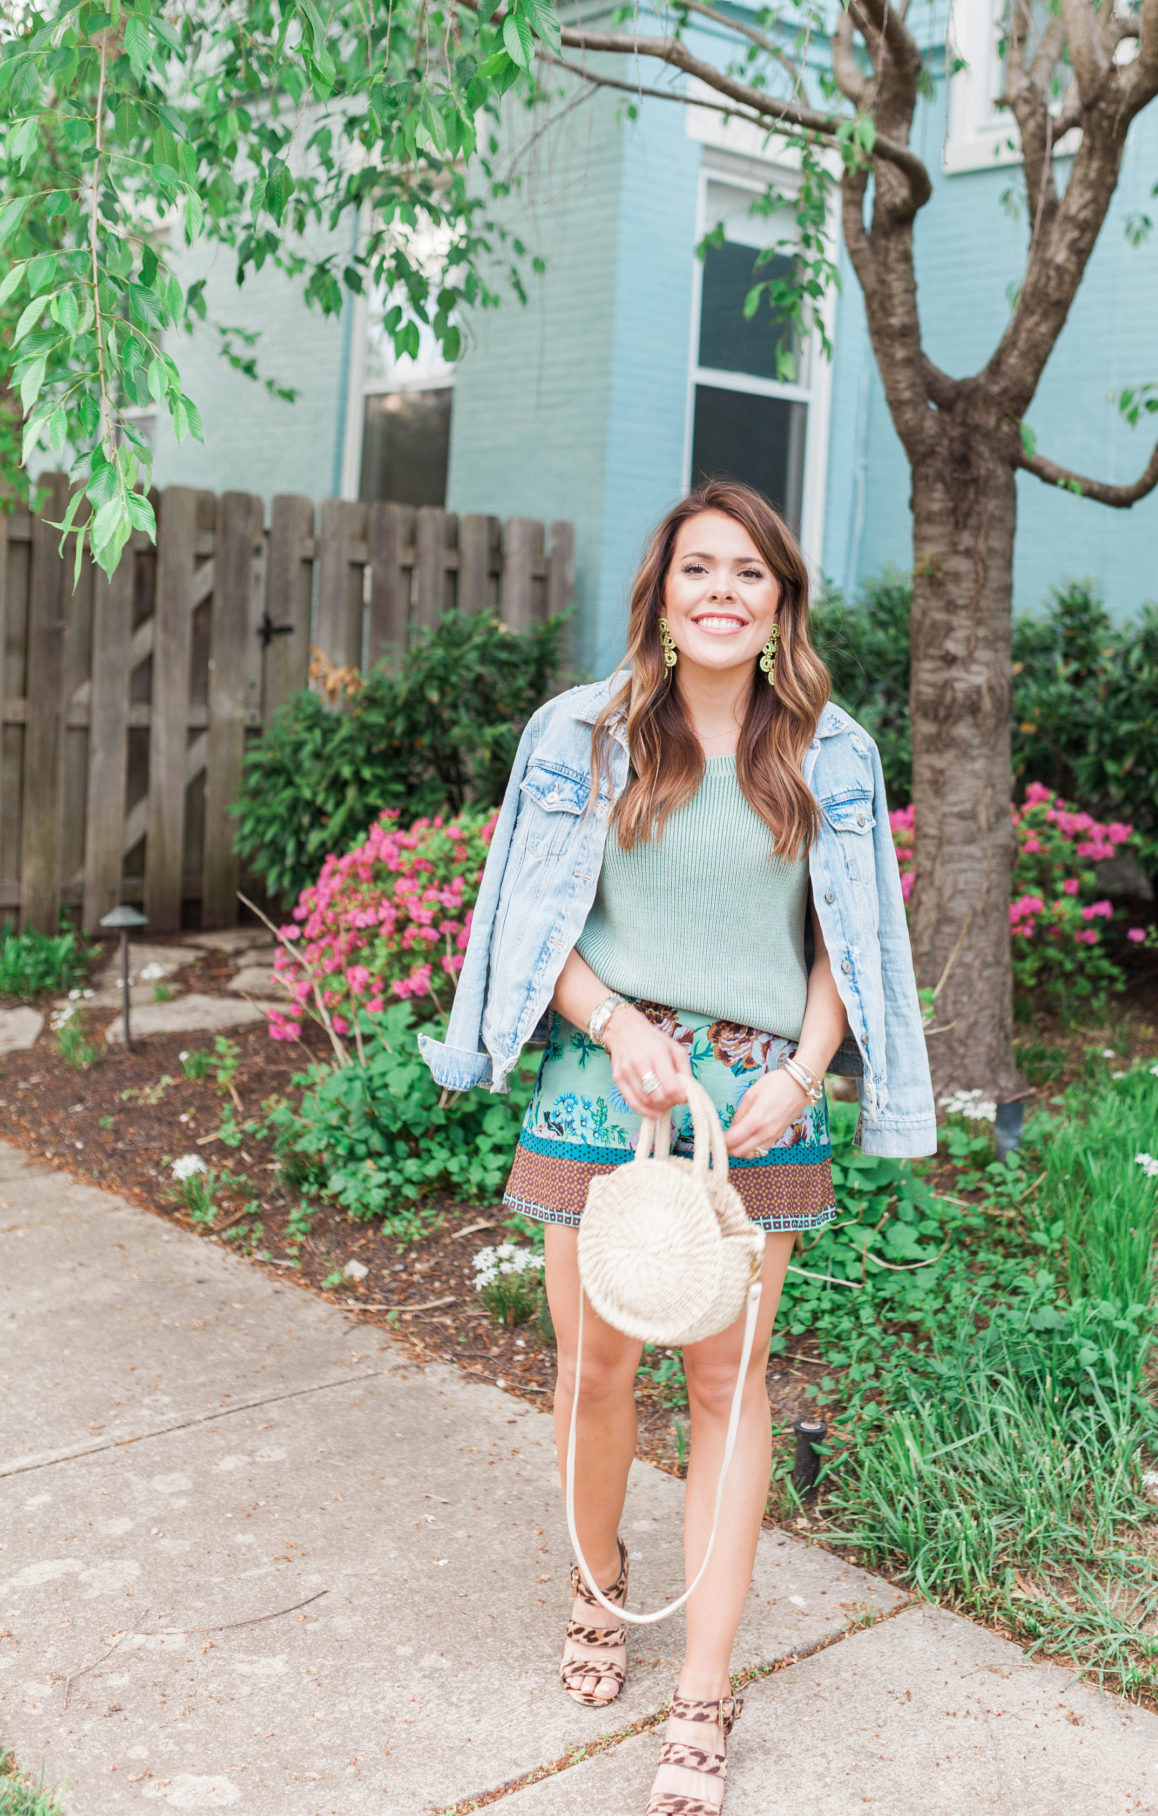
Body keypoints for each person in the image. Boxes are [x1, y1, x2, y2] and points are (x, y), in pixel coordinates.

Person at [420, 480, 934, 1815]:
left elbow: (853, 942)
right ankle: (599, 1584)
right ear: (659, 590)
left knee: (726, 1390)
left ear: (780, 605)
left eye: (749, 574)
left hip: (757, 1106)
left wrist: (813, 1072)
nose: (721, 591)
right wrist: (611, 1021)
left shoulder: (834, 756)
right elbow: (530, 919)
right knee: (595, 1373)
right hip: (604, 1091)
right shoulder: (579, 737)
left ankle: (703, 1688)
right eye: (697, 568)